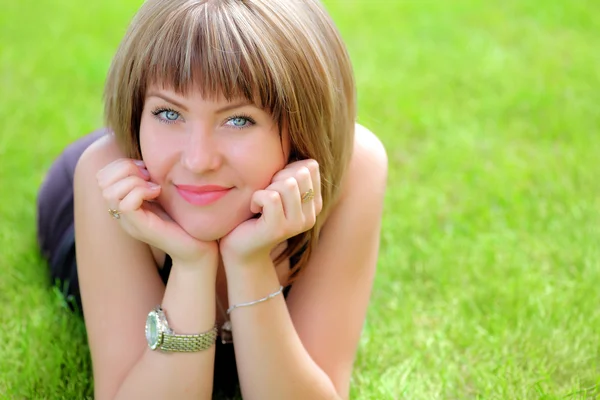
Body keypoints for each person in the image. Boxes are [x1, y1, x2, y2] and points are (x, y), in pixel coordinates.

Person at [36, 0, 387, 398]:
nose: (199, 159)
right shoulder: (109, 181)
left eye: (239, 120)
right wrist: (190, 264)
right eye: (168, 113)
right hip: (137, 187)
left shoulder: (352, 168)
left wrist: (249, 261)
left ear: (306, 121)